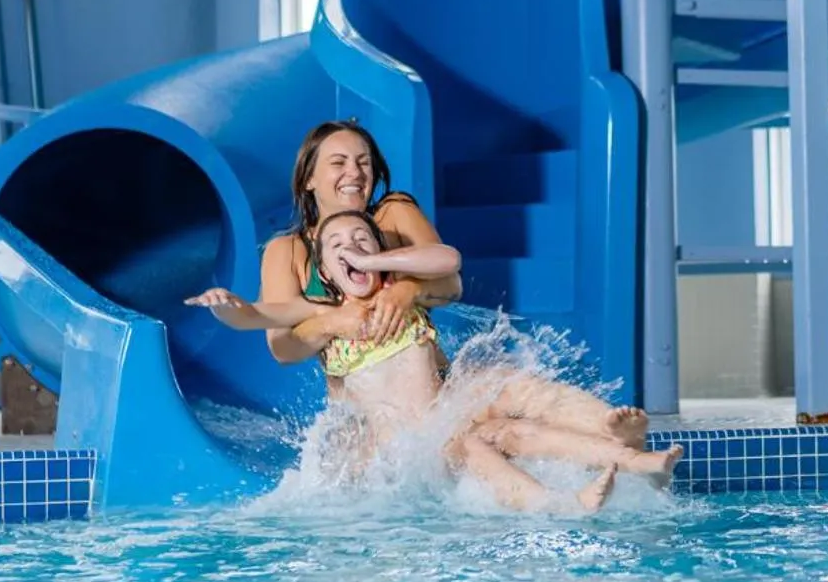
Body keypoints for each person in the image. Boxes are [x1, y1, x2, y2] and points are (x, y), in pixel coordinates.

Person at [193, 209, 680, 513]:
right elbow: (259, 315)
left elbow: (445, 260)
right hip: (412, 452)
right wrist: (227, 307)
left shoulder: (405, 296)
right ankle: (561, 506)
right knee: (479, 445)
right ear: (325, 271)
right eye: (339, 248)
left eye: (363, 241)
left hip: (444, 418)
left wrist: (375, 262)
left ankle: (636, 458)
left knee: (511, 417)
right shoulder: (326, 312)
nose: (354, 250)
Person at [261, 121, 649, 449]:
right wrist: (336, 321)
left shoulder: (394, 214)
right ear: (309, 177)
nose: (355, 173)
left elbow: (450, 283)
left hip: (435, 389)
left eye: (364, 163)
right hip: (366, 416)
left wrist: (407, 290)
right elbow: (282, 347)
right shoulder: (288, 251)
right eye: (339, 162)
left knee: (515, 385)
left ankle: (613, 430)